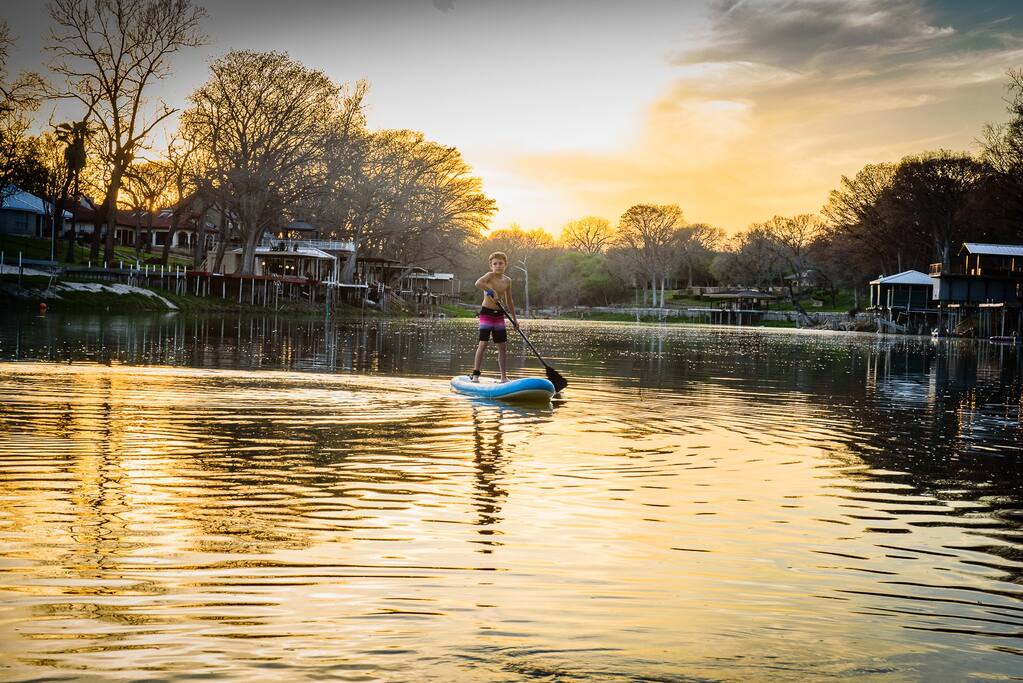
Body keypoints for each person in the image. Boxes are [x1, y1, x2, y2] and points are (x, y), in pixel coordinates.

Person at [471, 251, 518, 382]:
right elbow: (478, 283)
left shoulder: (508, 280)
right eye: (495, 264)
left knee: (502, 346)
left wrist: (514, 319)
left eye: (500, 263)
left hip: (499, 316)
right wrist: (491, 291)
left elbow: (510, 301)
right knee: (483, 343)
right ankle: (475, 375)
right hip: (486, 313)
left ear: (505, 265)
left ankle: (503, 377)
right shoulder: (489, 276)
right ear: (491, 265)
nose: (498, 266)